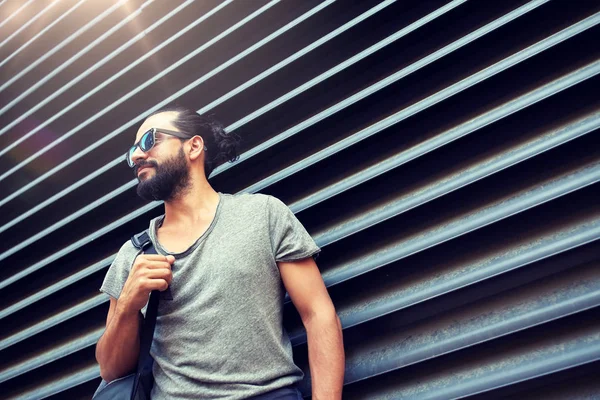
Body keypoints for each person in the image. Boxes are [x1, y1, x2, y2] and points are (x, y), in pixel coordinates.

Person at [95, 106, 345, 399]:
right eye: (133, 150)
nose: (137, 156)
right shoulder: (133, 255)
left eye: (150, 140)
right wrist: (127, 305)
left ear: (194, 146)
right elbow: (111, 370)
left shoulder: (262, 214)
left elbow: (318, 315)